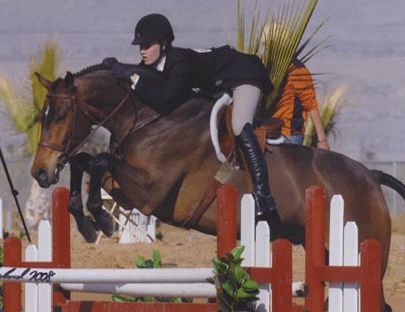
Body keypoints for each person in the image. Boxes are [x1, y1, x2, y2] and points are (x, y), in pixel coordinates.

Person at [104, 13, 278, 220]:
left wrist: (131, 76)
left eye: (147, 45)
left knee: (240, 125)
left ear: (164, 44)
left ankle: (263, 194)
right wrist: (118, 67)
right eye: (140, 46)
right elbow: (140, 79)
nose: (142, 50)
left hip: (243, 76)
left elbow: (163, 100)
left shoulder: (180, 63)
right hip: (218, 85)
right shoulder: (157, 61)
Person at [272, 58, 329, 150]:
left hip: (289, 135)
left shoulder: (297, 69)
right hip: (267, 131)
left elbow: (311, 105)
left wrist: (322, 140)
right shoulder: (267, 64)